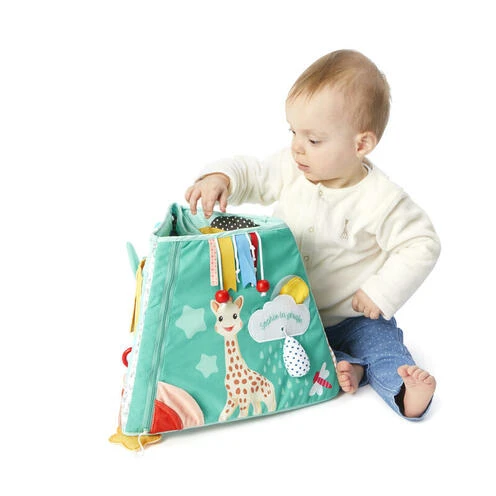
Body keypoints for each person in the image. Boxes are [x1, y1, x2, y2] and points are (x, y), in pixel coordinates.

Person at [185, 49, 441, 420]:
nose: (297, 147)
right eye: (293, 132)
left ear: (360, 145)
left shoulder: (380, 199)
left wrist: (382, 292)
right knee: (274, 351)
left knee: (384, 348)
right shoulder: (292, 168)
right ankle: (350, 367)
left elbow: (422, 243)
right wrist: (221, 177)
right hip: (291, 315)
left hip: (356, 318)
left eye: (314, 140)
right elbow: (253, 173)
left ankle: (404, 392)